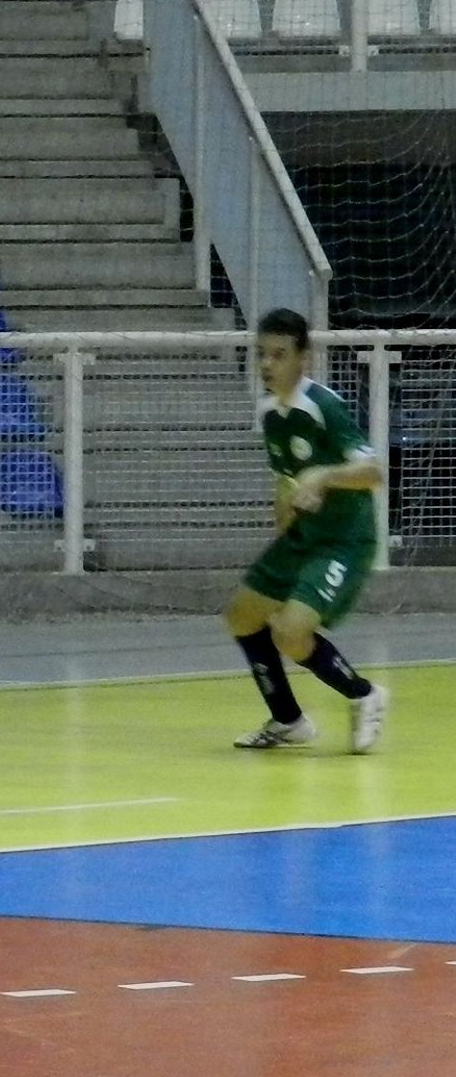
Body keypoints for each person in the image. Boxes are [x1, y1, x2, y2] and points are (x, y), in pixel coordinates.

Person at [224, 308, 388, 753]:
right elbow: (286, 480)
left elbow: (372, 472)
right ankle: (289, 721)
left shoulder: (324, 405)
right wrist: (288, 510)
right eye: (262, 355)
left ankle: (365, 695)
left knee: (291, 632)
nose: (266, 365)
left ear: (304, 359)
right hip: (303, 537)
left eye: (279, 355)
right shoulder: (270, 414)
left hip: (344, 541)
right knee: (242, 614)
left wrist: (322, 477)